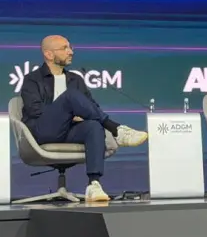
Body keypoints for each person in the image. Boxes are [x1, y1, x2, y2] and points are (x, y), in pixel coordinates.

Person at [20, 35, 148, 203]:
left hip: (67, 131)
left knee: (93, 125)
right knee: (70, 97)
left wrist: (74, 114)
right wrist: (68, 112)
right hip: (42, 130)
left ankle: (94, 184)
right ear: (49, 54)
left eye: (70, 47)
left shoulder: (76, 79)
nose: (70, 52)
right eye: (64, 48)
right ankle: (116, 130)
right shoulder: (32, 79)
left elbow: (92, 107)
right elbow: (35, 110)